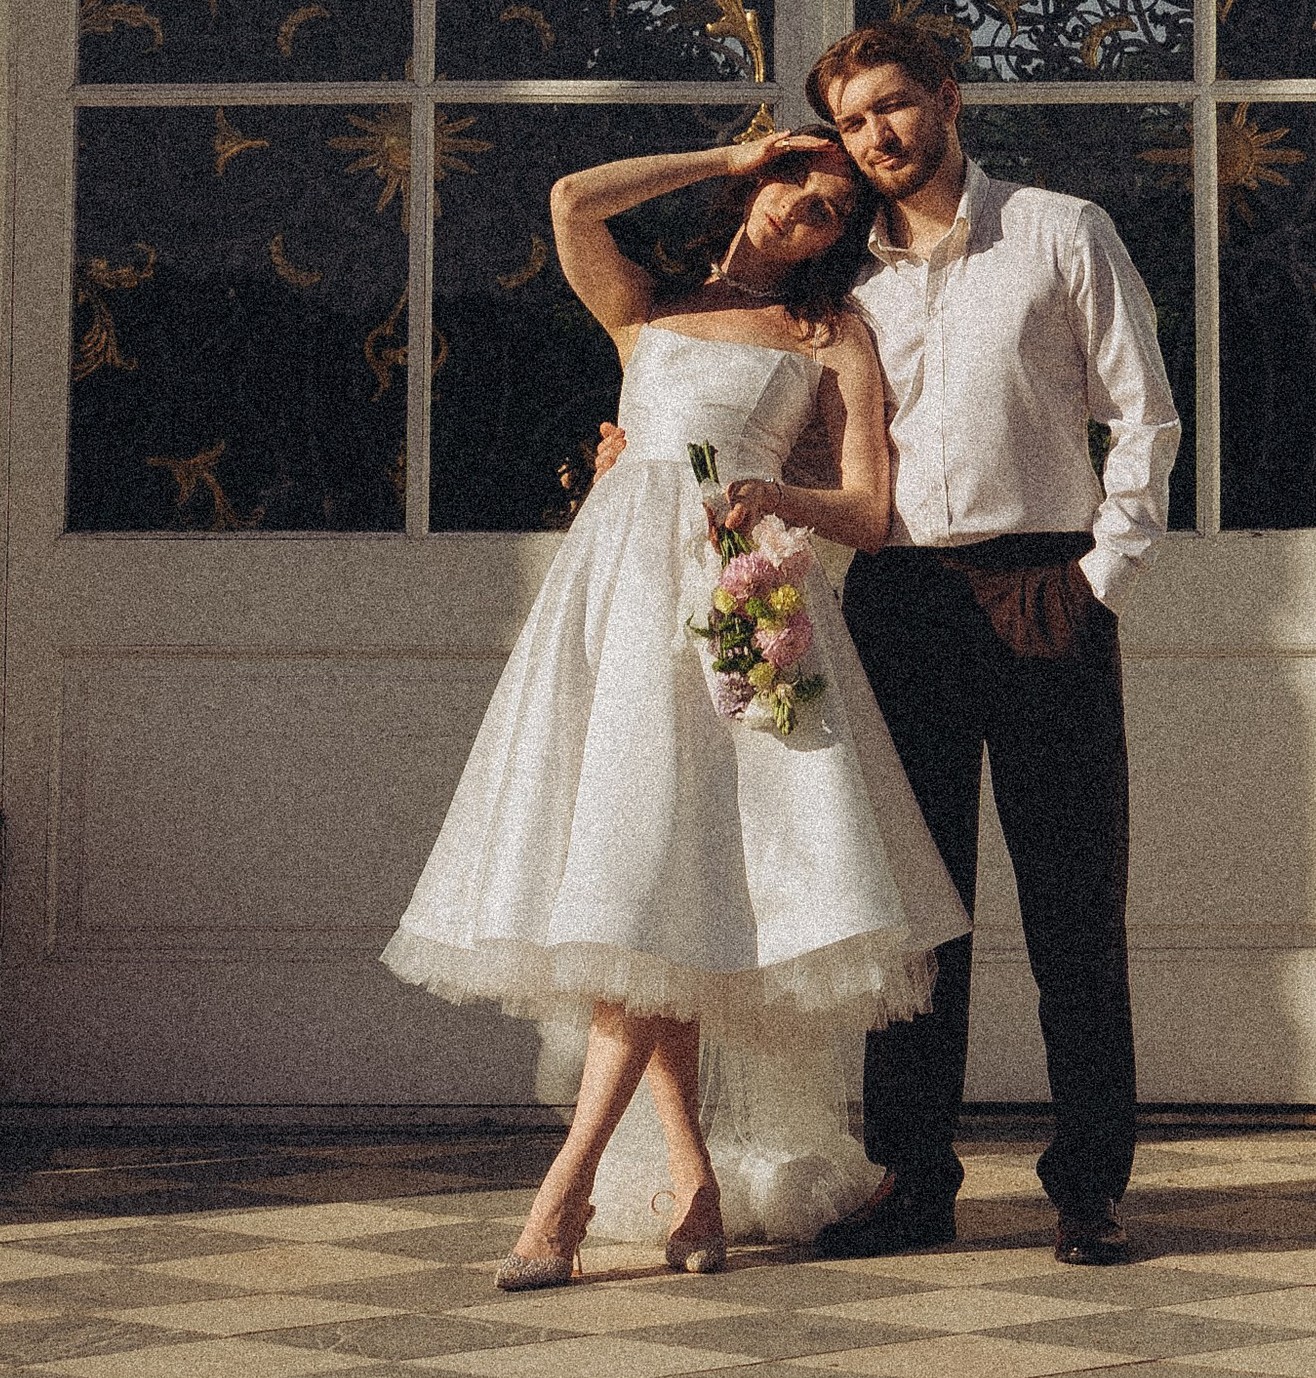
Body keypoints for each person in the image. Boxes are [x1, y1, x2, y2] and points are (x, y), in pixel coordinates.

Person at [382, 125, 969, 1289]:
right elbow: (570, 198)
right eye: (794, 181)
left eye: (833, 205)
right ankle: (692, 1181)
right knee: (650, 894)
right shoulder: (648, 307)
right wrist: (727, 156)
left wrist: (771, 495)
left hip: (732, 608)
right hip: (613, 609)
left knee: (659, 888)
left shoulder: (827, 334)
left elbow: (866, 508)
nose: (805, 207)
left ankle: (565, 1189)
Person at [802, 21, 1181, 1269]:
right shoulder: (838, 277)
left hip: (1041, 588)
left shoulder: (1060, 231)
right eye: (853, 121)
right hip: (898, 600)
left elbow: (1143, 414)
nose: (877, 136)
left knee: (1074, 909)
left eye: (894, 105)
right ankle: (913, 1183)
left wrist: (1101, 576)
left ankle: (1089, 1188)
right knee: (917, 921)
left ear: (948, 99)